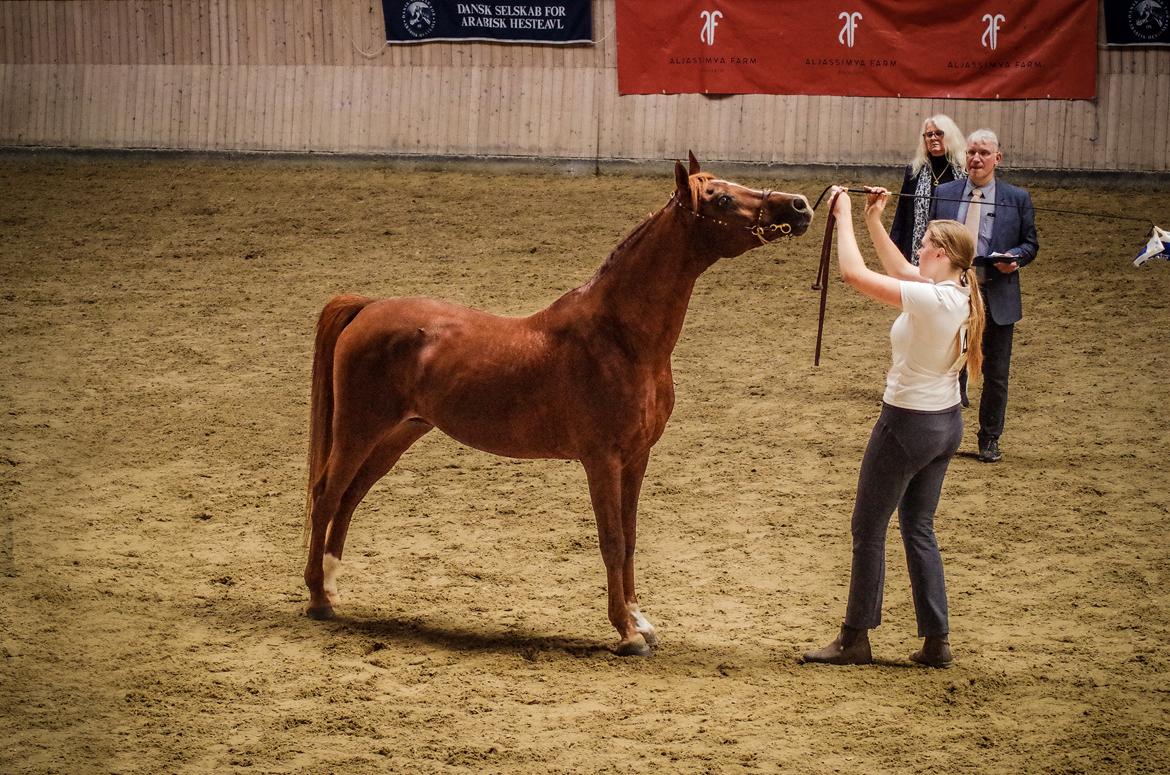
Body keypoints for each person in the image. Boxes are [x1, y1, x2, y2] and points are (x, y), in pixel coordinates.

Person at [802, 186, 985, 668]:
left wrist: (841, 216)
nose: (918, 249)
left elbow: (853, 274)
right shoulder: (957, 291)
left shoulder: (935, 302)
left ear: (942, 254)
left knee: (867, 528)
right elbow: (902, 269)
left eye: (924, 243)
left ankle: (855, 637)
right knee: (918, 528)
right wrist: (872, 220)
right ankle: (936, 639)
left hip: (907, 424)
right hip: (945, 424)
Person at [930, 129, 1039, 463]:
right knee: (943, 365)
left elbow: (1030, 243)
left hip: (996, 293)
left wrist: (1016, 259)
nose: (976, 159)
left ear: (997, 158)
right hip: (953, 292)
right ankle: (939, 437)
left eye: (984, 153)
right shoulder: (944, 193)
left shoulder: (1016, 198)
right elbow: (932, 237)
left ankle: (989, 438)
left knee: (996, 372)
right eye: (972, 152)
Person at [888, 115, 967, 264]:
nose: (933, 138)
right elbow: (902, 212)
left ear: (949, 136)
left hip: (952, 245)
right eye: (929, 134)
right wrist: (894, 246)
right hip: (917, 246)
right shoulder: (914, 171)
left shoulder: (964, 171)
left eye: (939, 133)